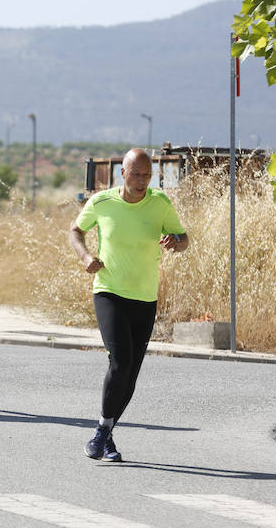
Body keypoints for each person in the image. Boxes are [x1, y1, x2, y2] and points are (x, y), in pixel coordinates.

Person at [70, 147, 188, 462]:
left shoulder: (159, 203)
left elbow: (183, 238)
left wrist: (175, 243)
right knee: (120, 361)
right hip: (109, 290)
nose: (142, 181)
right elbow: (75, 231)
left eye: (147, 175)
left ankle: (105, 433)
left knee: (131, 374)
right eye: (136, 174)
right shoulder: (102, 202)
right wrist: (86, 257)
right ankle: (101, 433)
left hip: (145, 297)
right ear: (123, 172)